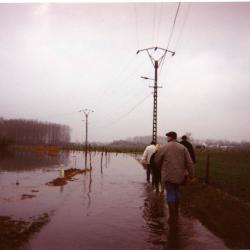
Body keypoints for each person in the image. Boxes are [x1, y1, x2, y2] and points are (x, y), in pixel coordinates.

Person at [154, 131, 194, 223]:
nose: (166, 139)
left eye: (167, 137)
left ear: (170, 137)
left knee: (170, 193)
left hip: (168, 175)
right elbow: (189, 163)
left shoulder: (165, 147)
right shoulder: (183, 148)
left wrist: (160, 167)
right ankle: (176, 212)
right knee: (176, 191)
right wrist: (191, 175)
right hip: (179, 175)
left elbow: (157, 160)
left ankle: (172, 217)